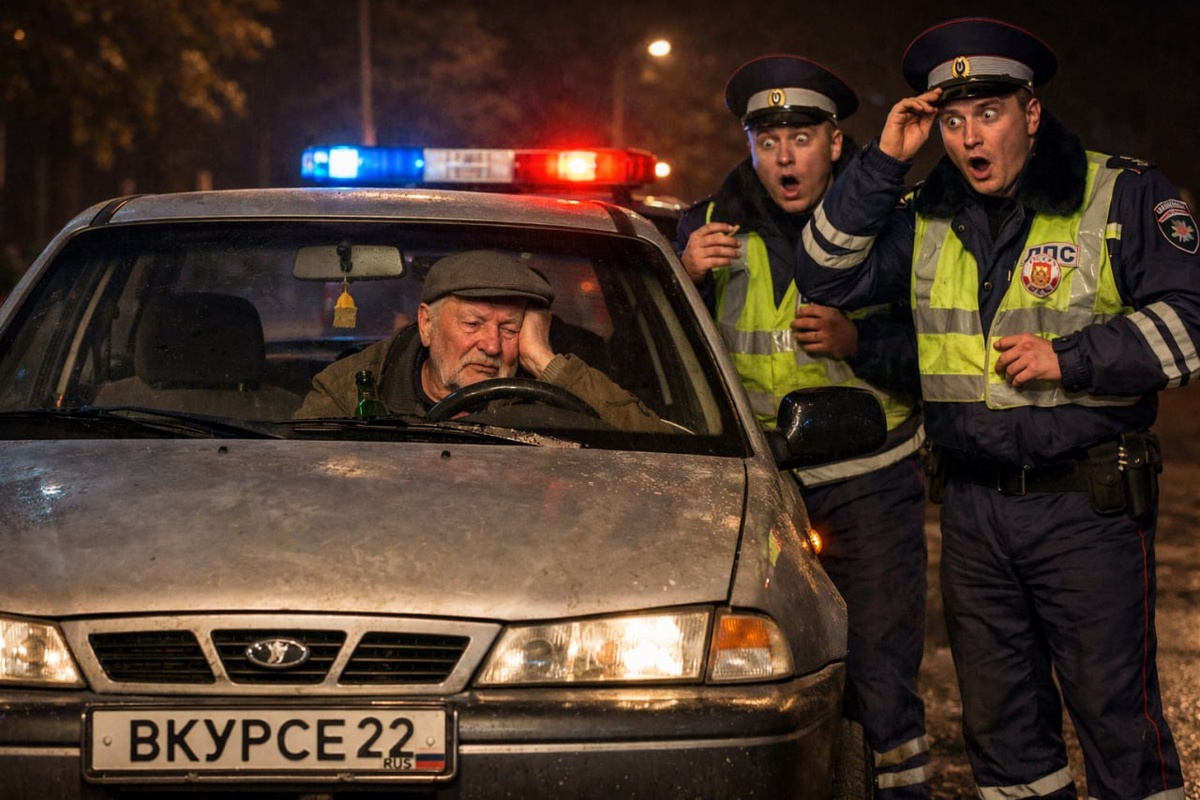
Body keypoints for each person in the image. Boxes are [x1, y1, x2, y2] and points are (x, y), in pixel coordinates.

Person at [796, 17, 1195, 799]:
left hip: (1086, 509)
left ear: (1031, 113)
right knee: (1003, 734)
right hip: (973, 514)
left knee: (1117, 723)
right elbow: (825, 271)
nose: (969, 137)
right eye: (952, 121)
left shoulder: (1121, 193)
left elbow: (1190, 323)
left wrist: (1071, 357)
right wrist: (884, 160)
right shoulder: (925, 212)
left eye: (988, 113)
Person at [675, 56, 930, 797]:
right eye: (768, 141)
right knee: (753, 677)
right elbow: (663, 359)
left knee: (879, 677)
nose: (785, 158)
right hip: (756, 490)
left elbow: (945, 356)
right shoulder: (704, 226)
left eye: (802, 138)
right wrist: (686, 276)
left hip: (870, 483)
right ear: (751, 148)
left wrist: (861, 342)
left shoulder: (893, 223)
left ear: (836, 143)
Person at [295, 249, 669, 433]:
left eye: (509, 329)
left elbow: (664, 451)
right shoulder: (354, 388)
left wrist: (543, 361)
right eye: (473, 324)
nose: (491, 346)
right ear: (426, 324)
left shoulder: (556, 395)